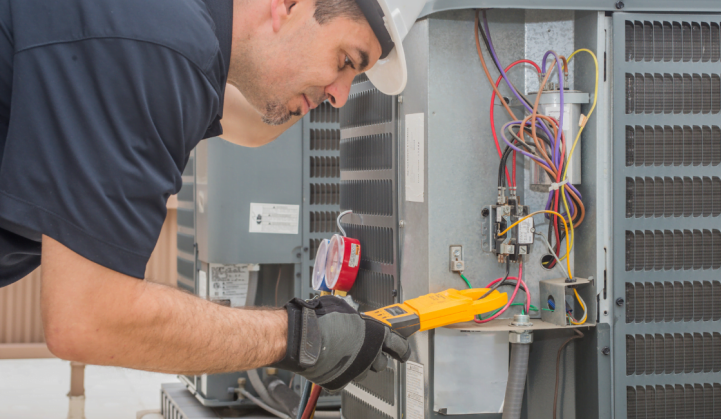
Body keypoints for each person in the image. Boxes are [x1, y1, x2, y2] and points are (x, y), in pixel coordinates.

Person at [0, 0, 424, 392]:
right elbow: (89, 318)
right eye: (346, 61)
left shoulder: (172, 30)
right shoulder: (158, 43)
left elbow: (255, 127)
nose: (341, 95)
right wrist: (301, 337)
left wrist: (306, 86)